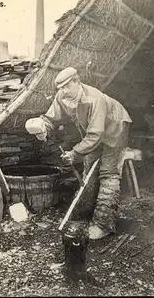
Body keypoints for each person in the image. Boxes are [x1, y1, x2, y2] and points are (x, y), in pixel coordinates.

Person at [35, 67, 132, 240]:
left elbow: (95, 135)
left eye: (67, 86)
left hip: (116, 127)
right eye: (60, 88)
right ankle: (85, 210)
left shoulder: (95, 99)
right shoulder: (62, 97)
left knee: (108, 172)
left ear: (77, 82)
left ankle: (103, 224)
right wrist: (44, 126)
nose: (63, 91)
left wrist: (74, 153)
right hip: (94, 131)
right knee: (88, 169)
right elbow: (51, 118)